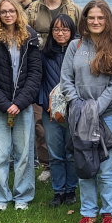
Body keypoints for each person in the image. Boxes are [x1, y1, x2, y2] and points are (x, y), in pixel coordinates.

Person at [62, 0, 112, 223]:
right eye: (91, 17)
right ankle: (88, 214)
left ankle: (109, 215)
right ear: (85, 20)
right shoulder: (75, 45)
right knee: (84, 164)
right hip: (79, 114)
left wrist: (95, 109)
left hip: (107, 116)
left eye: (100, 18)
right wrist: (79, 106)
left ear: (107, 19)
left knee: (106, 167)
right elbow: (65, 78)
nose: (96, 21)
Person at [0, 0, 42, 210]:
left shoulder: (30, 36)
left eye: (12, 11)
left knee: (24, 153)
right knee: (0, 154)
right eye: (3, 11)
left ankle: (22, 196)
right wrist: (4, 103)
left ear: (18, 13)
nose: (8, 15)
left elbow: (35, 74)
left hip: (22, 106)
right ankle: (1, 196)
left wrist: (20, 102)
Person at [26, 0, 80, 176]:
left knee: (70, 120)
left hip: (69, 64)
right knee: (42, 120)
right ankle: (48, 164)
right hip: (43, 66)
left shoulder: (73, 9)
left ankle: (71, 165)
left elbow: (86, 32)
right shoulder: (31, 10)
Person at [40, 13, 80, 207]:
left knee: (71, 152)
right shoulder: (44, 53)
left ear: (72, 31)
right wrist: (44, 102)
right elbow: (38, 80)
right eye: (56, 29)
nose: (60, 33)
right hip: (51, 112)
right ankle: (59, 190)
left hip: (73, 110)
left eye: (65, 29)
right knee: (55, 153)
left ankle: (71, 189)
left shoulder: (80, 52)